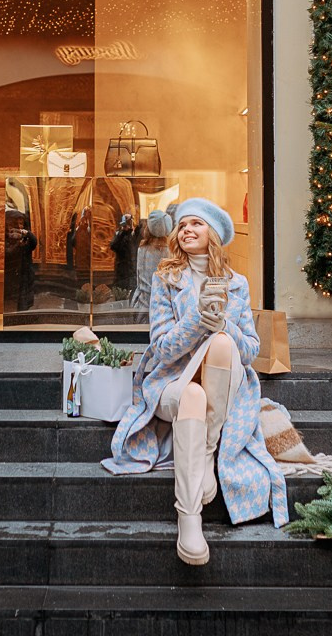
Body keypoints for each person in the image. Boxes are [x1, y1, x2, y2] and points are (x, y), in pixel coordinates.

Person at [102, 198, 287, 565]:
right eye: (182, 225)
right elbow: (161, 349)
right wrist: (196, 321)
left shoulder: (236, 284)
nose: (186, 229)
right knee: (191, 394)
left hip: (222, 380)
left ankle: (204, 452)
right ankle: (189, 518)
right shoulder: (166, 279)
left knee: (220, 344)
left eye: (196, 224)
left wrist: (222, 325)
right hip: (173, 382)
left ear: (213, 234)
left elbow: (249, 350)